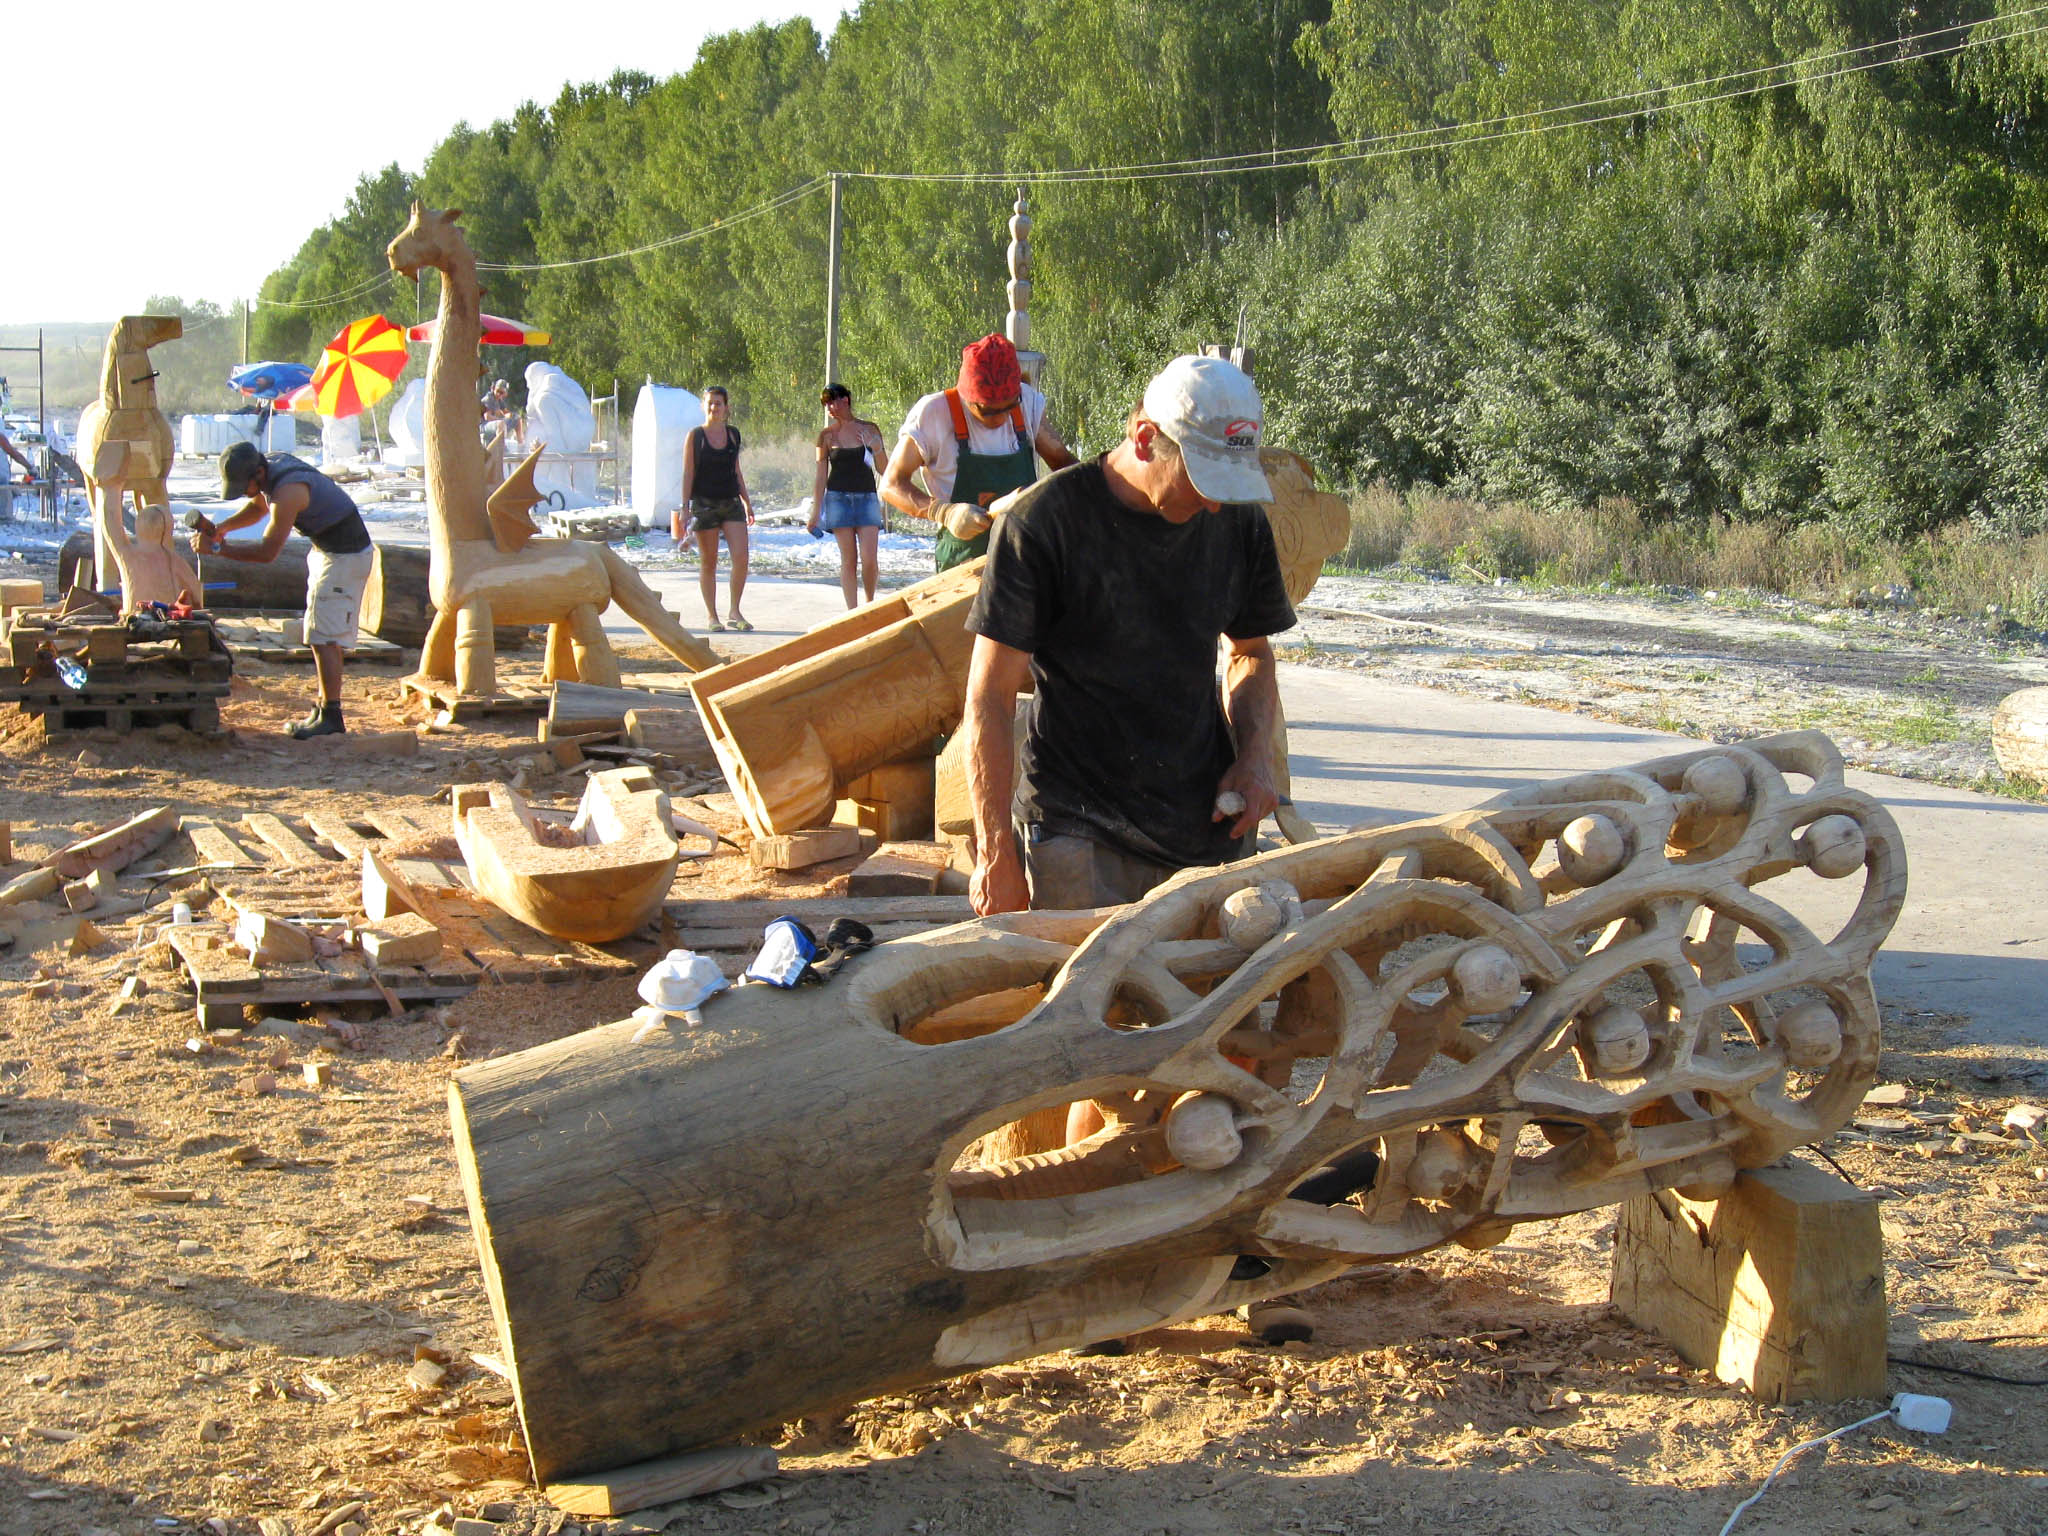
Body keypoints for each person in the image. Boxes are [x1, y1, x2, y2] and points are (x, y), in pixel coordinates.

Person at [961, 353, 1290, 917]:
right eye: (1201, 479)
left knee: (1211, 1002)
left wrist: (1254, 758)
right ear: (1145, 439)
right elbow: (989, 697)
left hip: (1206, 821)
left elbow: (1251, 654)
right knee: (1082, 1002)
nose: (1214, 502)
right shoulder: (1044, 524)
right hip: (1077, 830)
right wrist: (996, 855)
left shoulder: (1236, 521)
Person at [202, 440, 375, 739]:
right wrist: (223, 529)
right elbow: (258, 508)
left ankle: (332, 716)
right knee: (317, 632)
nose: (243, 491)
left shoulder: (288, 491)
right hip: (328, 550)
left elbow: (269, 552)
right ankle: (323, 708)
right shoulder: (271, 467)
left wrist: (220, 552)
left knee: (324, 635)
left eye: (244, 485)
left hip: (345, 557)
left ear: (258, 472)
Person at [879, 334, 1075, 572]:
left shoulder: (1027, 404)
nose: (1002, 418)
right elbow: (890, 485)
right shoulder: (934, 414)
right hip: (964, 564)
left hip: (1024, 560)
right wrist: (943, 512)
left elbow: (1066, 466)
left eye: (1009, 407)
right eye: (989, 411)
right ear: (967, 397)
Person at [674, 386, 755, 631]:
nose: (714, 408)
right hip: (704, 503)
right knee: (709, 562)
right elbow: (688, 472)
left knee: (741, 558)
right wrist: (685, 507)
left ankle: (735, 611)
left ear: (726, 407)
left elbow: (736, 470)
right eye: (710, 403)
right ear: (704, 406)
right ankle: (712, 616)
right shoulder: (696, 436)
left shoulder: (733, 435)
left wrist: (747, 501)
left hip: (731, 502)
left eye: (718, 403)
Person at [806, 383, 887, 608]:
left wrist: (877, 448)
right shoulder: (826, 436)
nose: (830, 407)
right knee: (848, 560)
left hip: (867, 498)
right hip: (838, 499)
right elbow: (820, 476)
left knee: (869, 560)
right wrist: (815, 512)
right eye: (826, 404)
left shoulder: (869, 429)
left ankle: (870, 604)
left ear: (846, 400)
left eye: (833, 401)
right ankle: (852, 611)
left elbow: (884, 470)